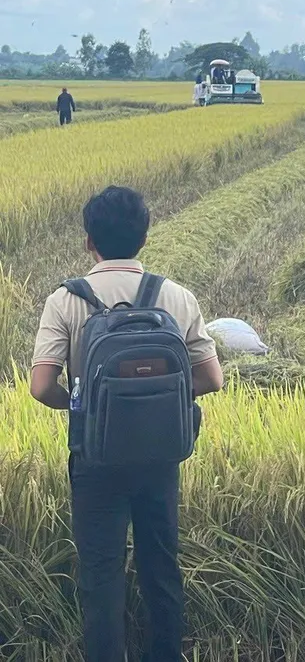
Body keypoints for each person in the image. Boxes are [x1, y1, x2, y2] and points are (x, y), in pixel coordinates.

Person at [30, 186, 225, 661]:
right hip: (160, 455)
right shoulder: (176, 296)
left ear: (88, 241)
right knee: (162, 568)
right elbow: (211, 378)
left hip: (96, 459)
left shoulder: (65, 300)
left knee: (100, 576)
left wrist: (86, 408)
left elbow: (41, 386)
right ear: (144, 238)